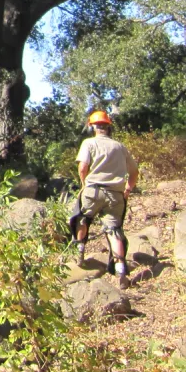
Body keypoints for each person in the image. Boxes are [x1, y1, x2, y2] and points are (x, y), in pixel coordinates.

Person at [70, 110, 139, 286]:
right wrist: (128, 189)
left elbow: (83, 167)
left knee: (82, 218)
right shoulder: (119, 146)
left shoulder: (89, 143)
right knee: (114, 231)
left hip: (93, 190)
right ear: (108, 127)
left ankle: (80, 251)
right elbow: (134, 171)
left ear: (92, 126)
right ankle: (121, 270)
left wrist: (84, 183)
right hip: (115, 194)